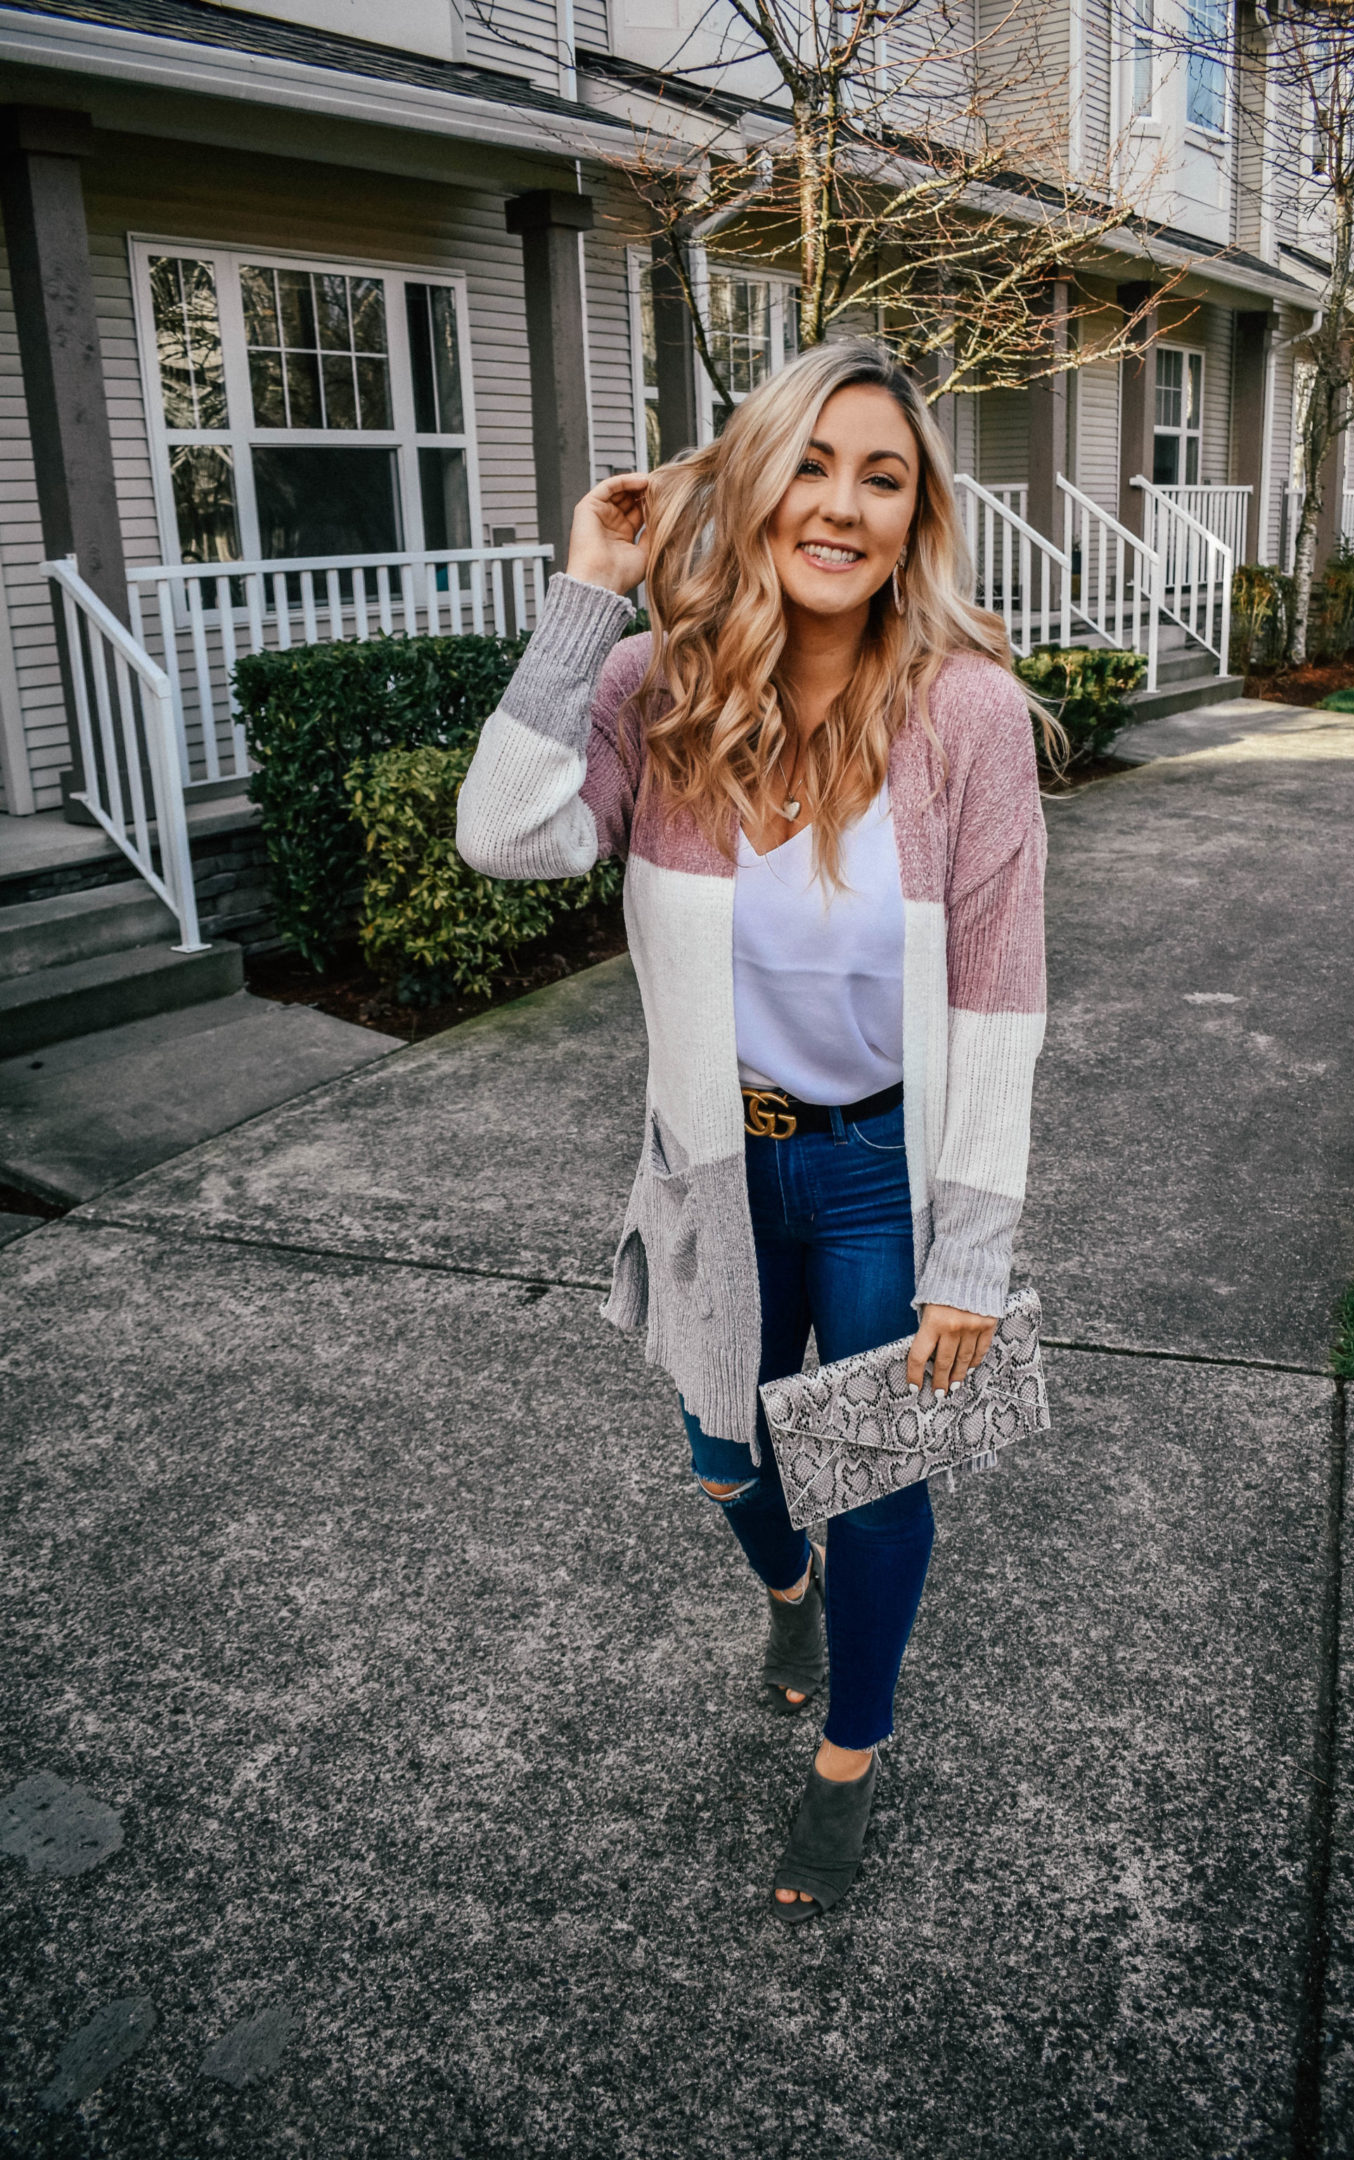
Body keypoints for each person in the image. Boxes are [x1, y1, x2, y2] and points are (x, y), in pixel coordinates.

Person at [456, 340, 1048, 1921]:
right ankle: (785, 1598)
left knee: (871, 1474)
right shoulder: (662, 691)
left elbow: (999, 997)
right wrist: (592, 589)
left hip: (879, 1173)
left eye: (886, 476)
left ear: (917, 516)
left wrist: (970, 1250)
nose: (843, 505)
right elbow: (506, 835)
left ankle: (854, 1746)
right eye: (813, 463)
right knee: (727, 1451)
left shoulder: (966, 716)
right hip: (716, 1162)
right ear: (756, 477)